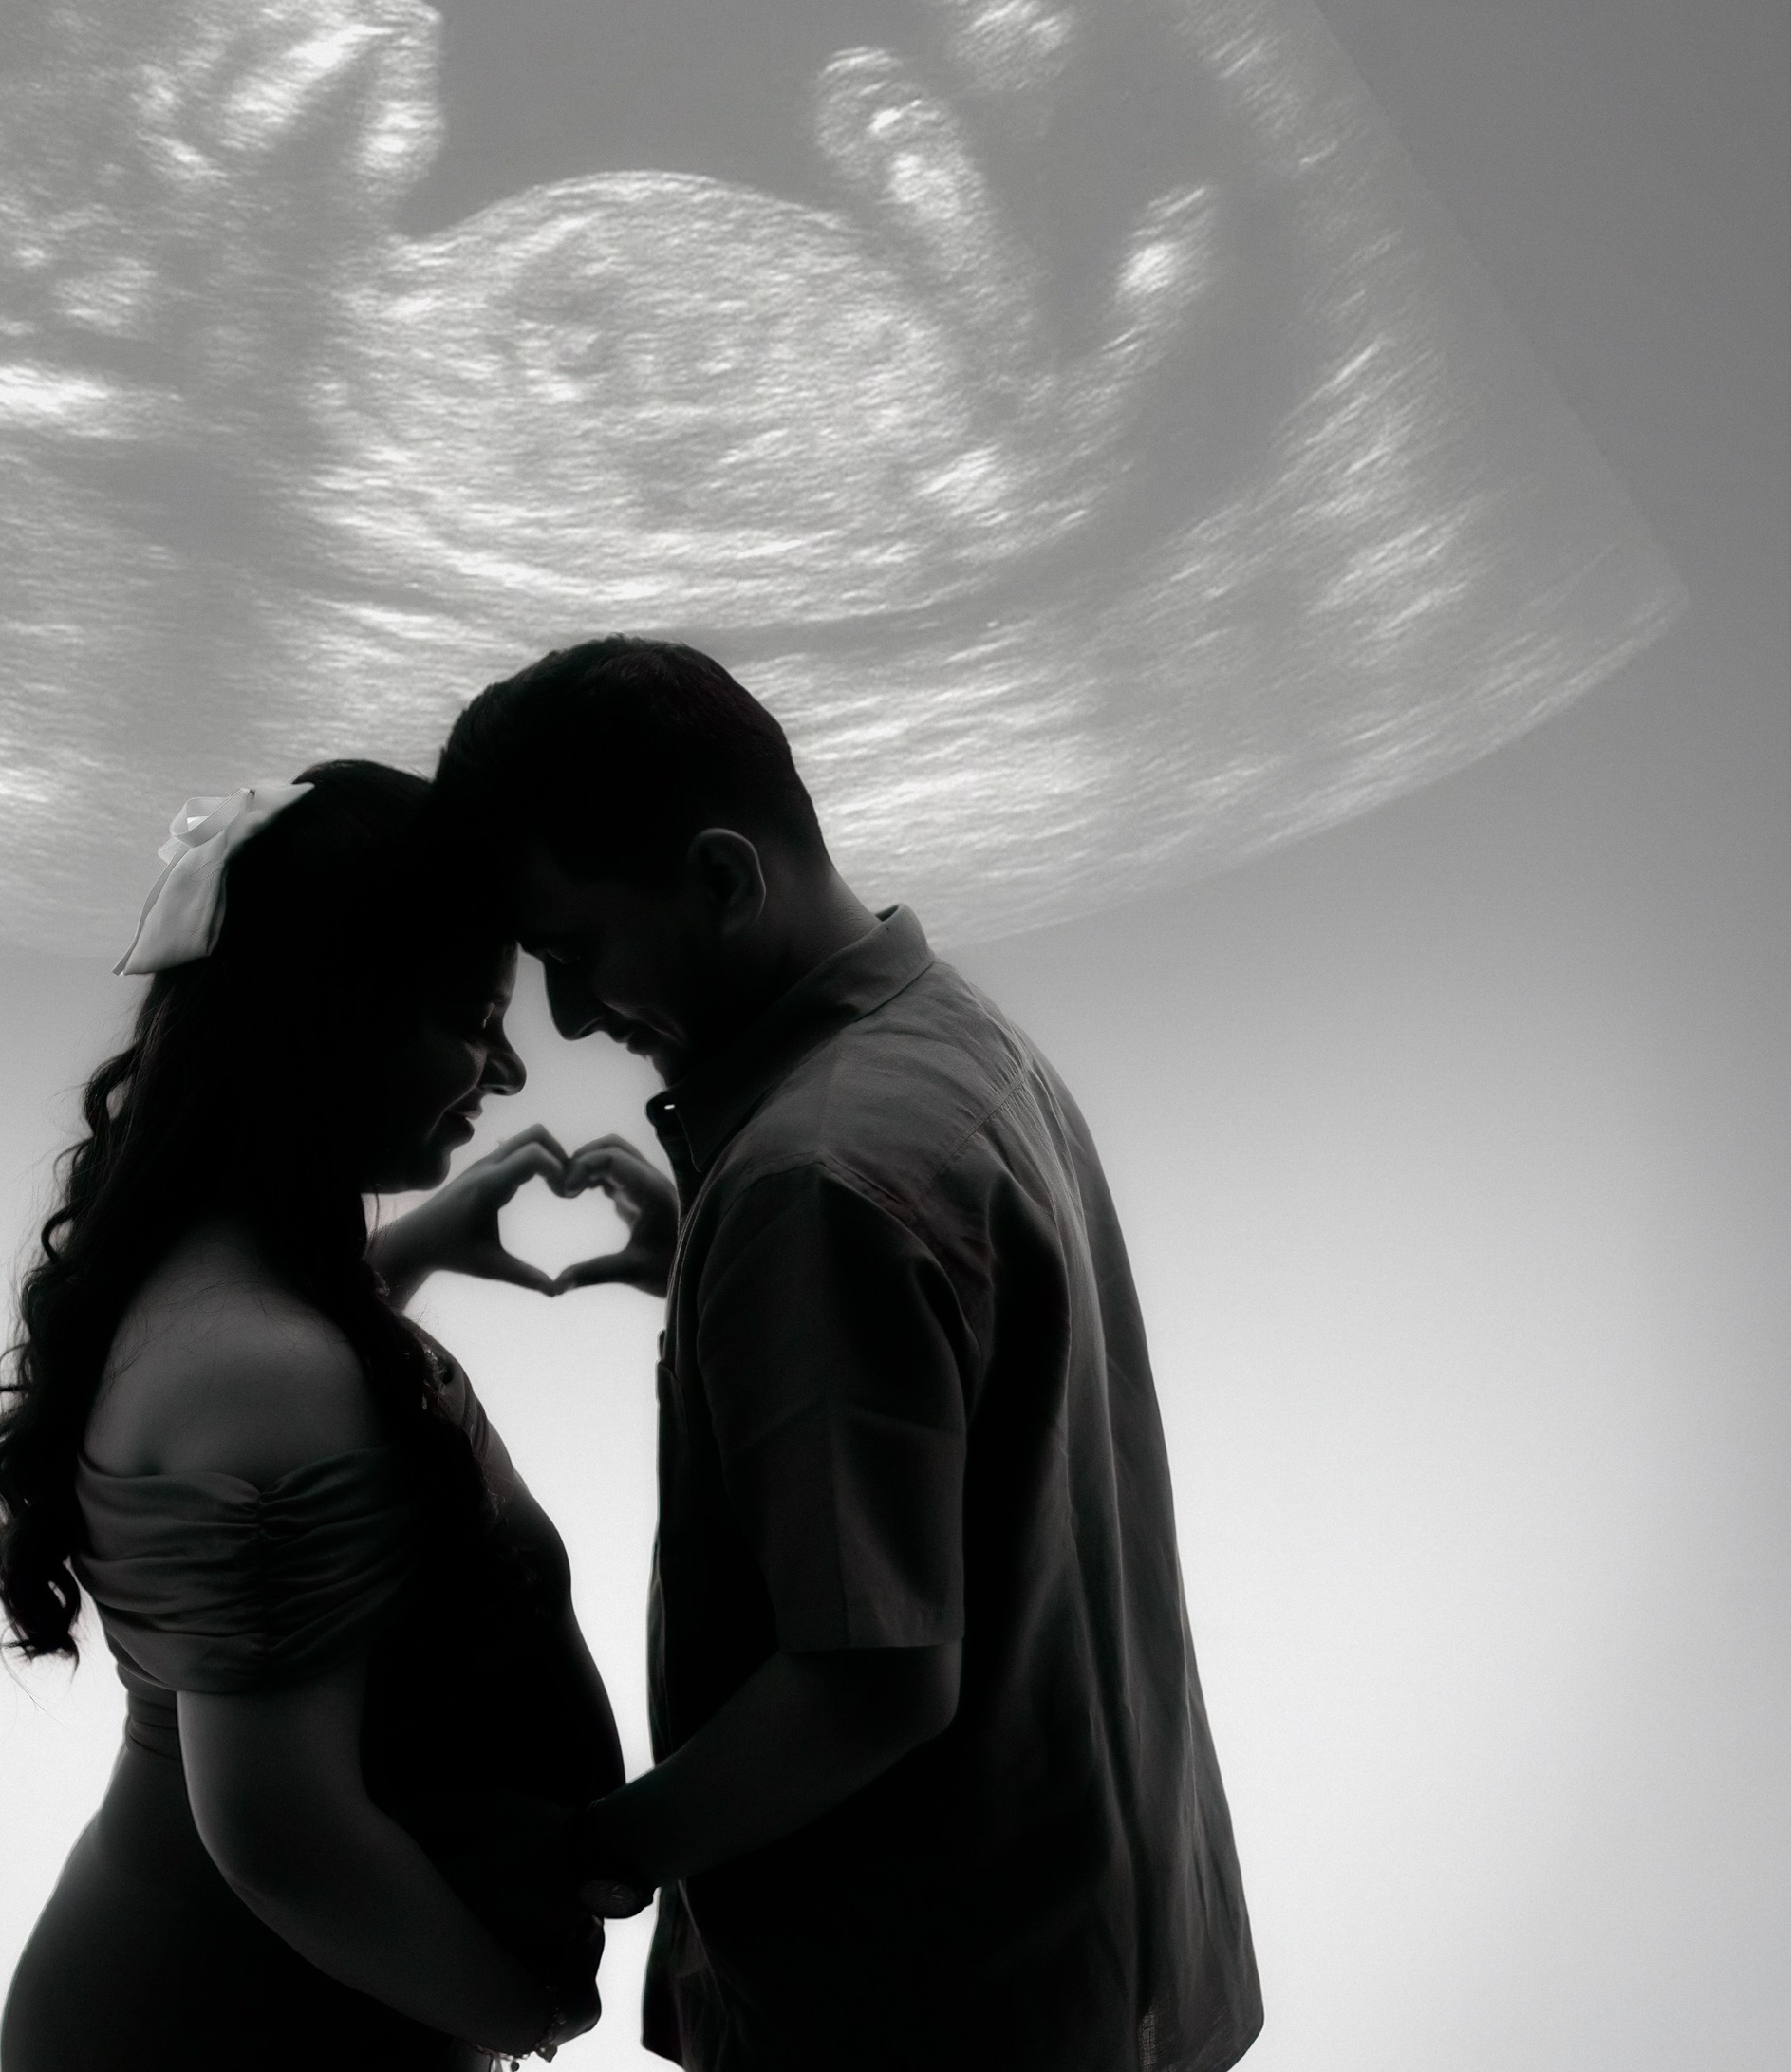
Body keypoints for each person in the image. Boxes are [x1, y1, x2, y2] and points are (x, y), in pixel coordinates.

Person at [431, 639, 1263, 2072]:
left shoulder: (813, 1187)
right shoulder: (953, 1044)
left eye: (573, 952)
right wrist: (725, 1290)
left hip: (921, 2011)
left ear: (721, 878)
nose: (564, 1018)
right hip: (1077, 1961)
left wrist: (592, 1853)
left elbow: (871, 1684)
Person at [0, 760, 625, 2069]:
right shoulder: (263, 1374)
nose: (503, 1068)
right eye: (470, 1017)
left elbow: (292, 1409)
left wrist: (420, 1246)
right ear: (333, 1019)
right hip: (239, 2023)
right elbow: (284, 1842)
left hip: (243, 1998)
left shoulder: (220, 1283)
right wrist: (525, 2008)